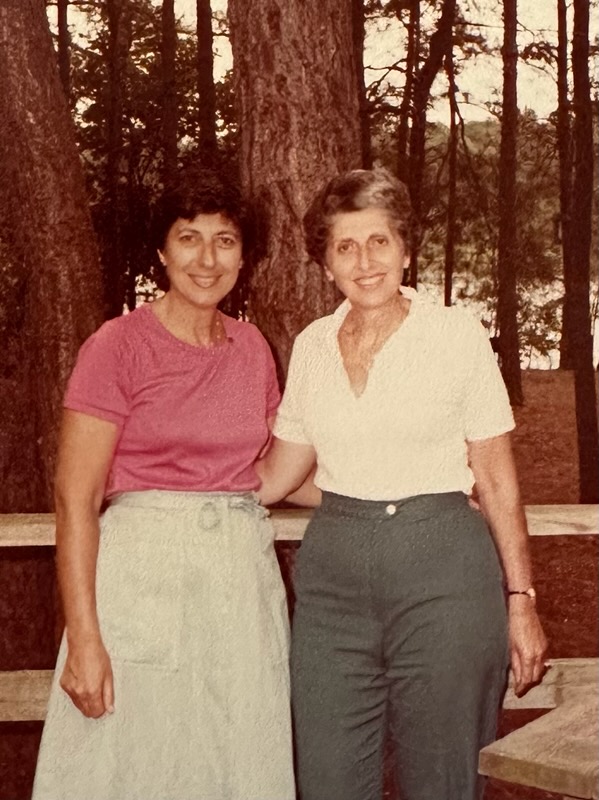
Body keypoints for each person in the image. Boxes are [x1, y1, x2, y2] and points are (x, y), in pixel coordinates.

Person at [257, 168, 547, 800]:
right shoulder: (311, 347)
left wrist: (521, 599)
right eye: (345, 246)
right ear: (326, 263)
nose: (364, 262)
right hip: (332, 588)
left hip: (444, 576)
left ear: (406, 249)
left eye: (379, 242)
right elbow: (280, 475)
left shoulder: (455, 335)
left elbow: (497, 480)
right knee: (328, 780)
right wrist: (175, 478)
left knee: (440, 781)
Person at [32, 169, 295, 800]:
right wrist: (85, 639)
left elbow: (271, 470)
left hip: (238, 585)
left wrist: (405, 480)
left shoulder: (252, 348)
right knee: (131, 766)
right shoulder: (117, 346)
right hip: (140, 582)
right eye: (188, 238)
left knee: (235, 763)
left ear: (244, 256)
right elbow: (75, 499)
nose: (207, 259)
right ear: (161, 250)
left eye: (225, 241)